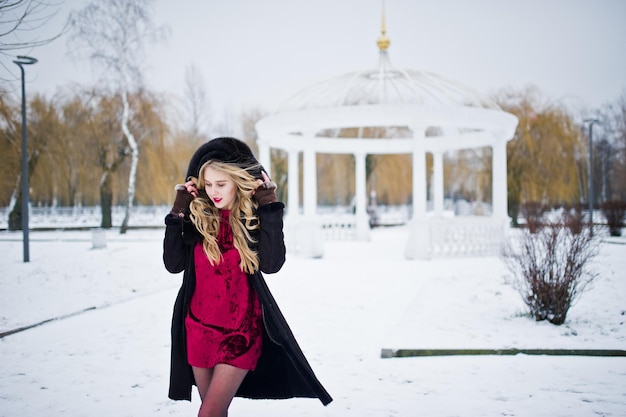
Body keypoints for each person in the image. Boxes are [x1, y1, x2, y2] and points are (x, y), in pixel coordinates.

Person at [163, 137, 332, 416]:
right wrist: (179, 208)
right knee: (215, 412)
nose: (214, 192)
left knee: (209, 413)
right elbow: (172, 264)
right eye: (209, 184)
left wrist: (268, 206)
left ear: (236, 182)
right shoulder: (197, 220)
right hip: (199, 329)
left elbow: (272, 264)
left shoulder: (251, 221)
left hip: (240, 333)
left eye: (221, 184)